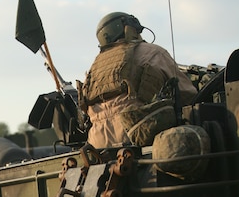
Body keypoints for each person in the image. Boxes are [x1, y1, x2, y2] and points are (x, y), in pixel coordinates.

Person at [78, 12, 197, 149]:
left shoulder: (93, 70)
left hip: (97, 145)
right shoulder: (153, 52)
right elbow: (188, 95)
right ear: (128, 29)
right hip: (139, 136)